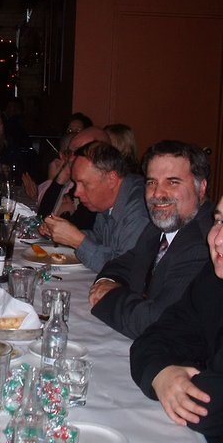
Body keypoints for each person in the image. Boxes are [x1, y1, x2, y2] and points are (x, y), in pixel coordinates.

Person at [89, 140, 213, 339]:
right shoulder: (160, 226)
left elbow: (157, 321)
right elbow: (124, 264)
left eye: (172, 182)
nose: (157, 193)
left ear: (201, 188)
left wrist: (108, 296)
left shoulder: (205, 243)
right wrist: (106, 281)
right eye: (151, 182)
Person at [130, 194, 223, 441]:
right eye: (219, 221)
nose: (218, 239)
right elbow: (156, 336)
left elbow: (209, 407)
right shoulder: (213, 279)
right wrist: (161, 373)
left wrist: (176, 376)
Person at [41, 141, 149, 272]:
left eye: (84, 184)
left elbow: (124, 269)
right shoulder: (107, 201)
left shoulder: (140, 209)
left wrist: (77, 240)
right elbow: (100, 240)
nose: (76, 193)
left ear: (111, 179)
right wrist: (66, 234)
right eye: (76, 183)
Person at [38, 126, 111, 230]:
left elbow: (82, 231)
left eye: (78, 152)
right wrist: (60, 179)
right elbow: (42, 217)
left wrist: (65, 215)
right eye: (69, 153)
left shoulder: (103, 187)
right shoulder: (75, 183)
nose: (71, 158)